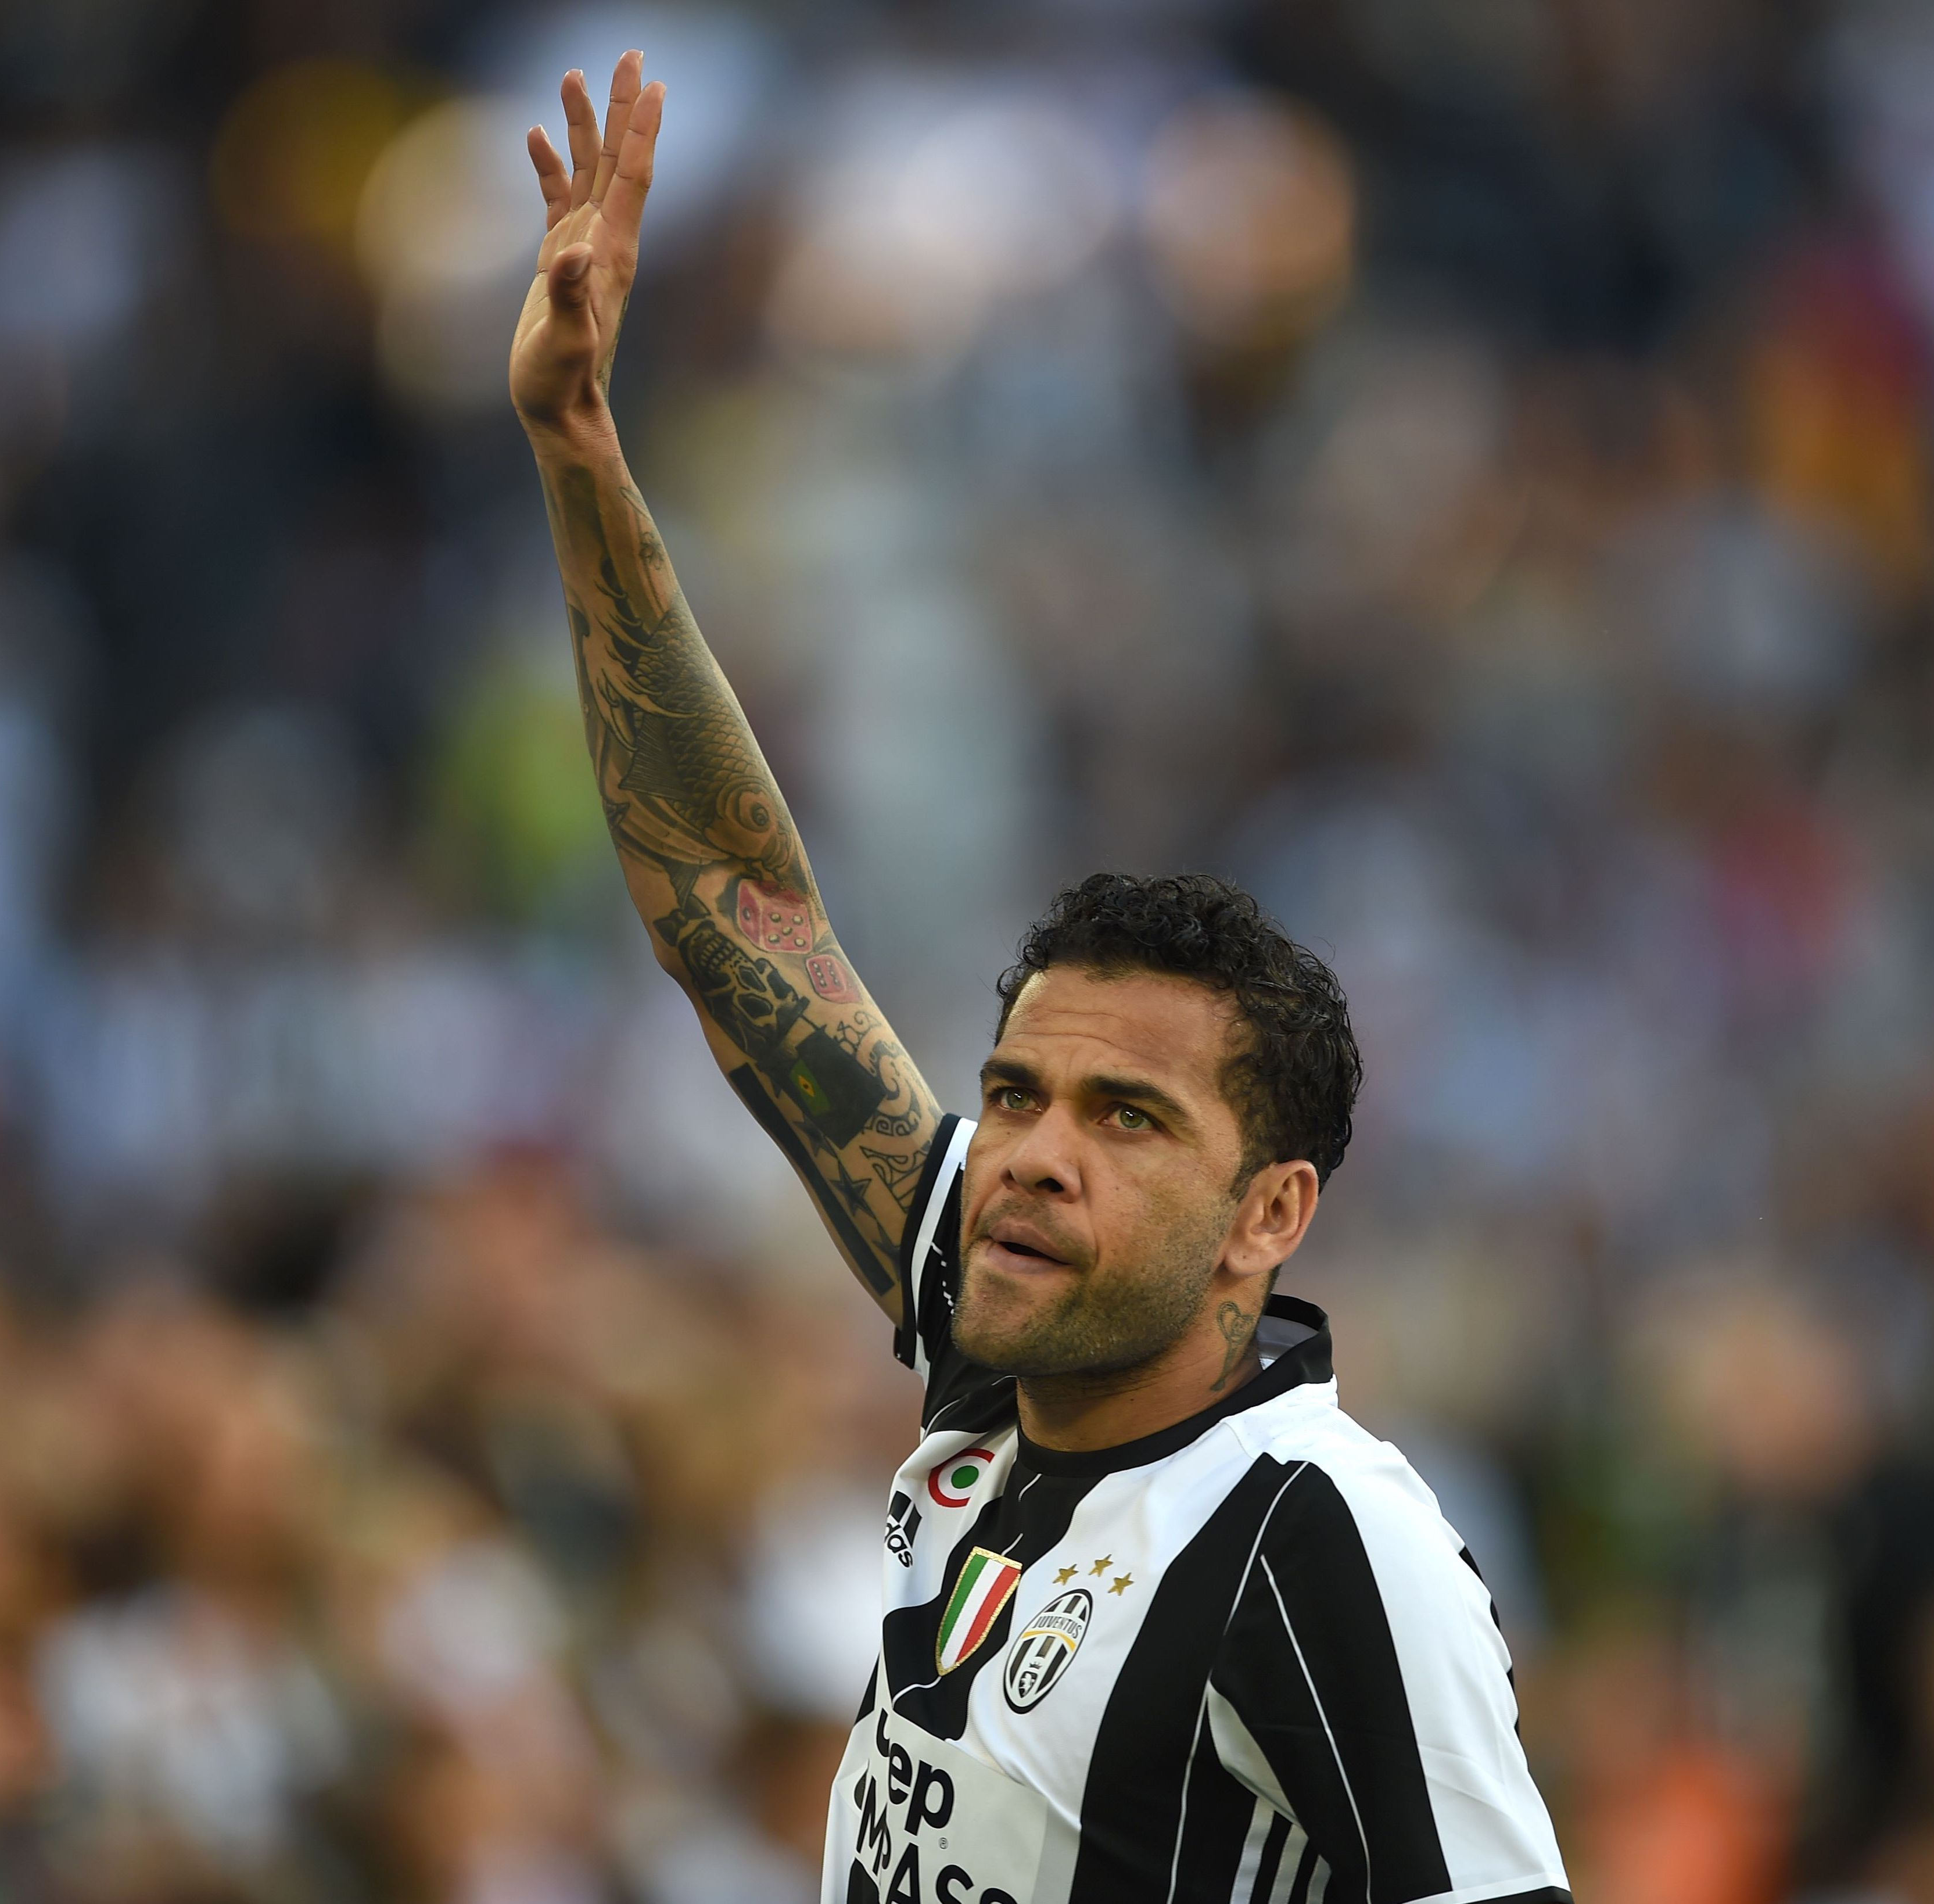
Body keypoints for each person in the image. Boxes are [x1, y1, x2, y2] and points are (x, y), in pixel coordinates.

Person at [505, 53, 1572, 1904]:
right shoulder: (997, 1347)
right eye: (1015, 1094)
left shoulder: (1313, 1542)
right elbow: (738, 914)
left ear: (1267, 1218)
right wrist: (583, 453)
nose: (1027, 1153)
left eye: (1126, 1118)